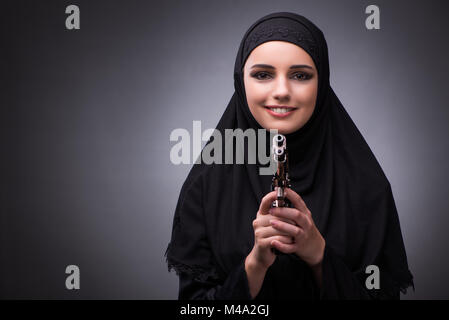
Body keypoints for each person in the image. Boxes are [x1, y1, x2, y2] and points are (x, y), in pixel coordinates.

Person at [165, 11, 414, 300]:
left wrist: (318, 255)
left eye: (300, 75)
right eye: (262, 75)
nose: (282, 91)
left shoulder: (366, 186)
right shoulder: (206, 185)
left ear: (321, 83)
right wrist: (254, 265)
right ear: (240, 81)